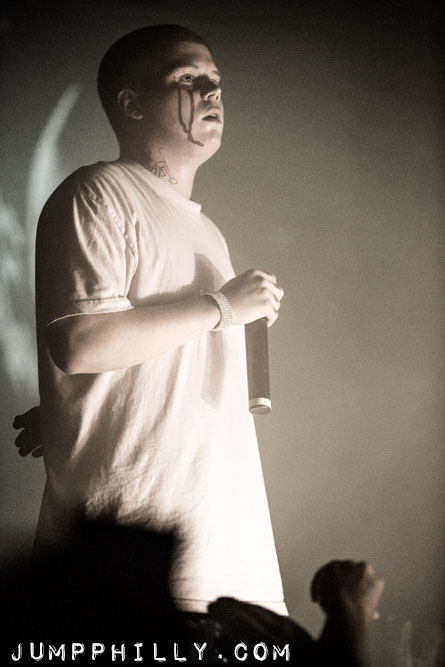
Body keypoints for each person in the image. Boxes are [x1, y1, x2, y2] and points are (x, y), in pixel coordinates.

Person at [29, 24, 286, 618]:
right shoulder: (98, 192)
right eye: (188, 79)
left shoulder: (208, 231)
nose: (212, 92)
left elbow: (149, 360)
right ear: (132, 103)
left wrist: (70, 412)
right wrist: (224, 307)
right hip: (130, 566)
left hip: (227, 560)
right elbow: (82, 342)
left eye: (216, 81)